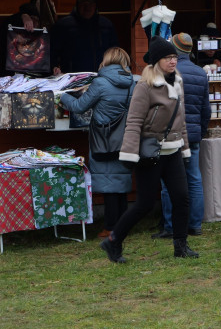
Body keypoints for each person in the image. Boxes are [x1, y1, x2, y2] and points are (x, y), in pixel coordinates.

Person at [100, 38, 198, 263]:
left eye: (174, 57)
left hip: (172, 151)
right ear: (156, 61)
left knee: (182, 198)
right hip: (150, 154)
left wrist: (184, 148)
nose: (173, 61)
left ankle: (181, 246)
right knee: (144, 204)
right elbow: (133, 122)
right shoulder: (144, 87)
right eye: (168, 58)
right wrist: (130, 154)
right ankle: (113, 241)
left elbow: (180, 121)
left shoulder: (178, 83)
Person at [58, 47, 135, 238]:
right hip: (124, 138)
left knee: (108, 183)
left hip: (104, 139)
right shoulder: (131, 83)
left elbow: (78, 106)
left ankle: (110, 227)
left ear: (106, 61)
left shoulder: (100, 83)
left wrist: (62, 95)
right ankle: (124, 225)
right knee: (122, 182)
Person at [154, 33, 210, 239]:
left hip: (171, 135)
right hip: (193, 135)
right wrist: (200, 131)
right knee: (194, 179)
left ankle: (170, 226)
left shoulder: (166, 72)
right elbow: (206, 110)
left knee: (169, 182)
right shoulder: (200, 73)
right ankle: (195, 225)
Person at [51, 0, 118, 74]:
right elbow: (53, 51)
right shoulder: (64, 25)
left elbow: (114, 51)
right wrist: (54, 66)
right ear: (77, 5)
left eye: (90, 4)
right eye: (83, 4)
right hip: (72, 77)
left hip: (101, 75)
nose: (87, 7)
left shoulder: (106, 25)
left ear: (95, 6)